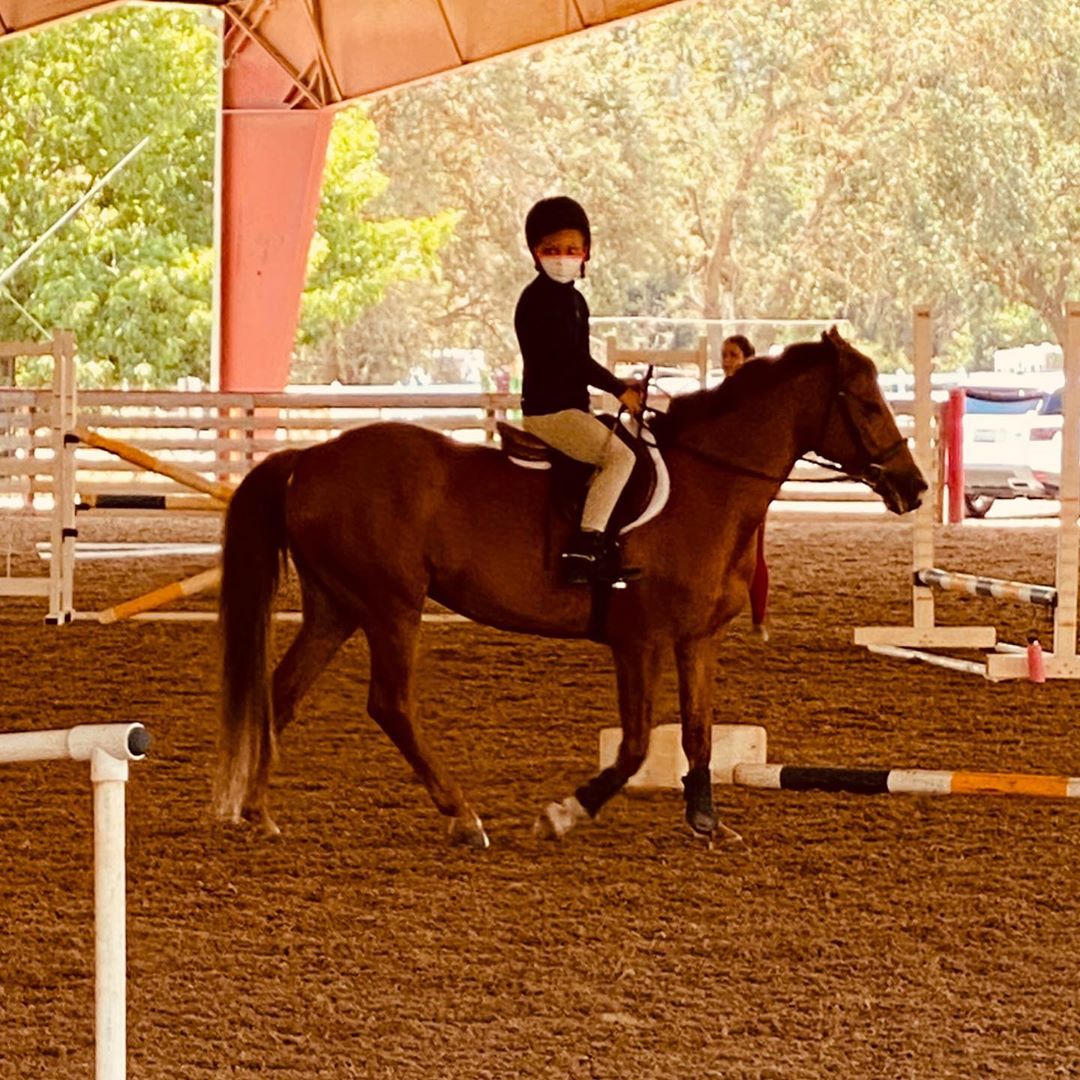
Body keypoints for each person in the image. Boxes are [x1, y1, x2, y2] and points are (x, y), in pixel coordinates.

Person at [514, 196, 644, 585]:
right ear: (536, 254)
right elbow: (572, 361)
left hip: (572, 409)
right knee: (621, 459)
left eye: (572, 249)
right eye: (552, 250)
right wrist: (620, 389)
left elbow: (579, 358)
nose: (563, 257)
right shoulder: (537, 300)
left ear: (585, 253)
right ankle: (584, 548)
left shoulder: (575, 301)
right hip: (550, 413)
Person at [720, 333, 770, 640]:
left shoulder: (756, 398)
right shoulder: (721, 394)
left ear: (746, 359)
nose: (727, 361)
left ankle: (758, 621)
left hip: (748, 484)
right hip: (722, 484)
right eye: (725, 355)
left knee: (754, 553)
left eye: (733, 355)